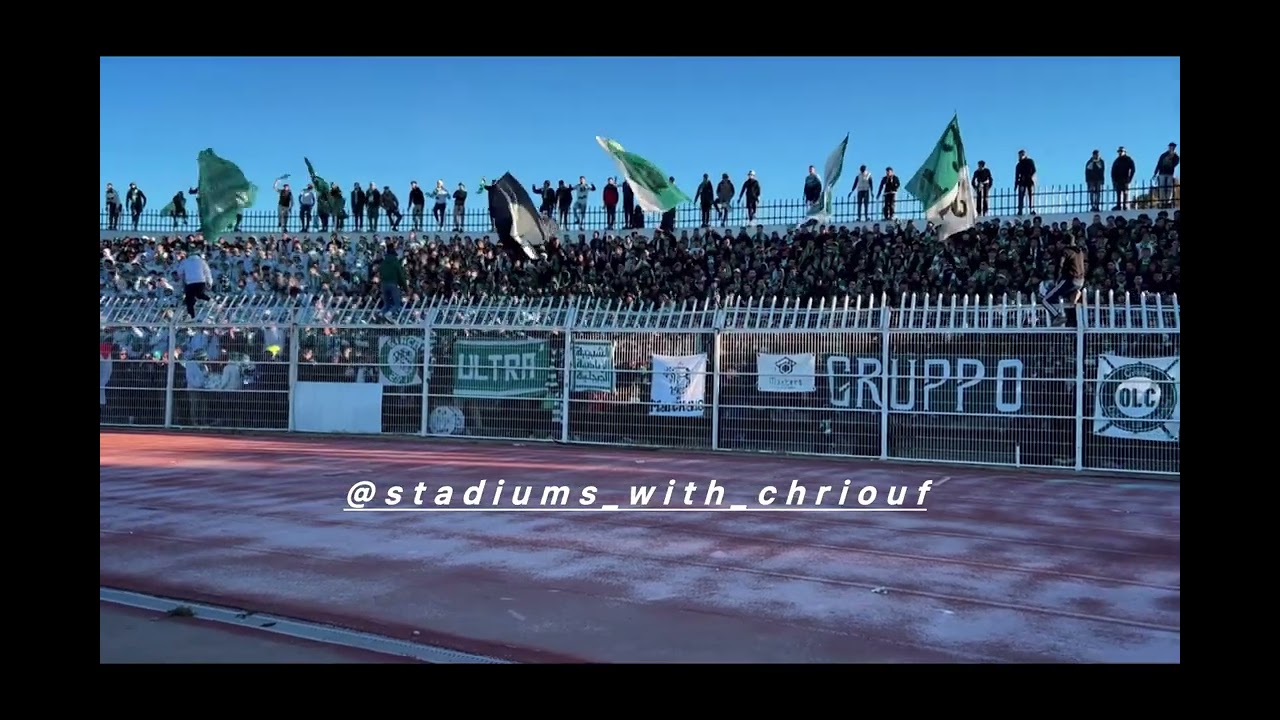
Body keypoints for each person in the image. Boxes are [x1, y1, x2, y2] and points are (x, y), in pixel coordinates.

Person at [1041, 237, 1086, 327]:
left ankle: (1057, 316)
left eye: (1059, 243)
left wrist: (1057, 278)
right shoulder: (1079, 252)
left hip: (1070, 279)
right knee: (1067, 298)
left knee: (1045, 300)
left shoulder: (1065, 251)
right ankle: (1074, 296)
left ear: (1063, 243)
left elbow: (1060, 265)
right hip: (1080, 281)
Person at [178, 246, 213, 319]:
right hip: (200, 281)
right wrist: (209, 281)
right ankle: (209, 300)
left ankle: (191, 316)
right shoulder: (202, 261)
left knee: (189, 300)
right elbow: (207, 272)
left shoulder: (185, 262)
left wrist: (183, 281)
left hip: (190, 282)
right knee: (199, 294)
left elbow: (180, 272)